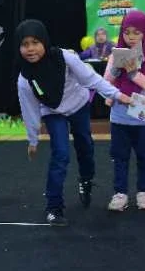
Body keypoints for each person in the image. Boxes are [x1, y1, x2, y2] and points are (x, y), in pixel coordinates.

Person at [16, 19, 131, 226]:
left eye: (35, 42)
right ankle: (54, 208)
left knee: (85, 146)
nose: (30, 49)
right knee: (60, 154)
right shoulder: (24, 79)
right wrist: (32, 140)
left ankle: (86, 179)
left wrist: (117, 94)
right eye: (25, 44)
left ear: (44, 41)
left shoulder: (65, 57)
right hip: (53, 112)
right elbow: (30, 111)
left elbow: (91, 79)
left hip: (78, 105)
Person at [103, 10, 145, 212]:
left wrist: (134, 74)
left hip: (143, 118)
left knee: (144, 157)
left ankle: (143, 192)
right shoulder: (115, 54)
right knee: (120, 157)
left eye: (136, 32)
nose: (131, 37)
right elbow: (105, 85)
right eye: (127, 32)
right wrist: (115, 70)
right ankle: (120, 193)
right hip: (120, 116)